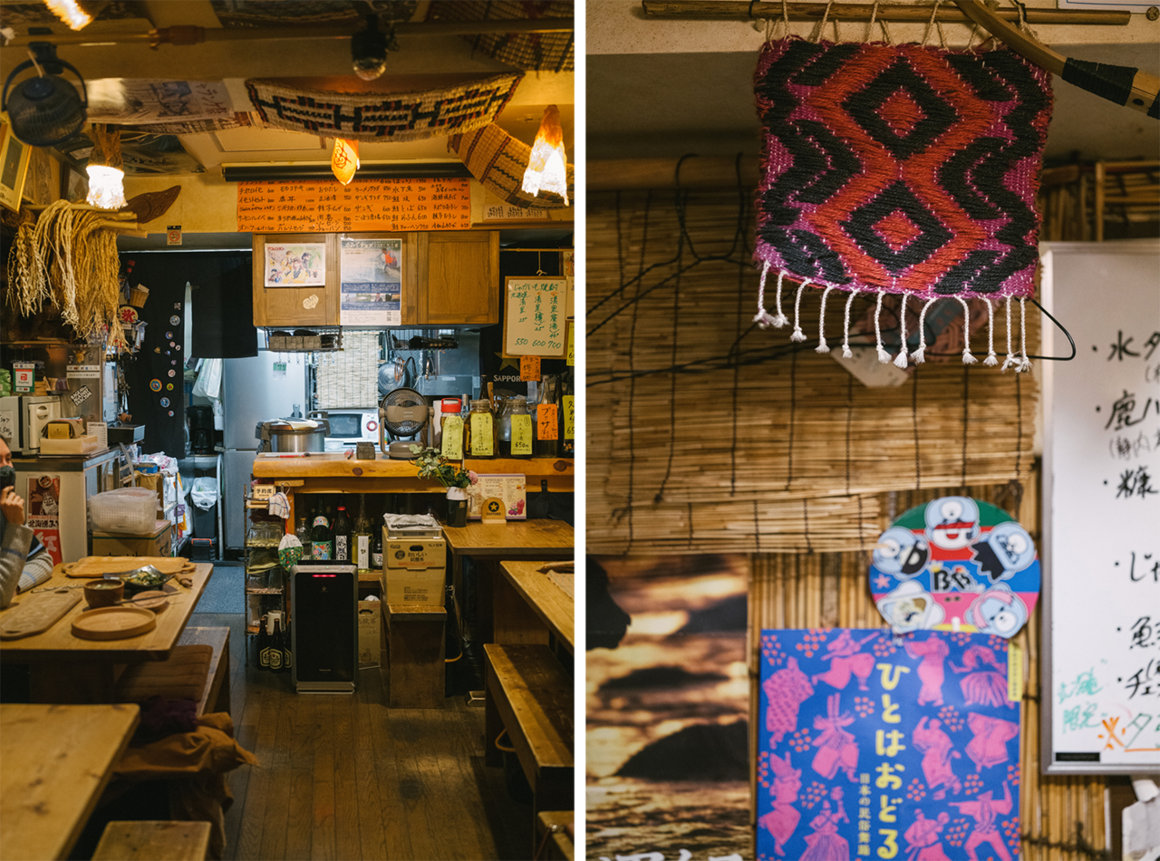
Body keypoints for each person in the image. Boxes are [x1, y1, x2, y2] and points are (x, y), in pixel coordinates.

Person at [0, 435, 54, 610]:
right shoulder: (10, 515)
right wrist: (16, 527)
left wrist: (13, 586)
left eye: (8, 459)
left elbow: (42, 560)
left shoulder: (4, 510)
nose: (7, 468)